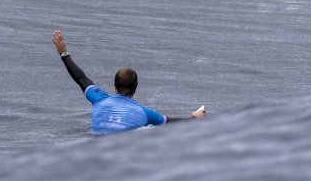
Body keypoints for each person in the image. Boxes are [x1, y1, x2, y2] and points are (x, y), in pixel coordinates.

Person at [52, 29, 206, 134]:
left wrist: (63, 53)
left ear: (114, 86)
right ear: (136, 87)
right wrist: (194, 118)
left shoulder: (98, 99)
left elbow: (80, 78)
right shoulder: (146, 113)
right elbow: (174, 123)